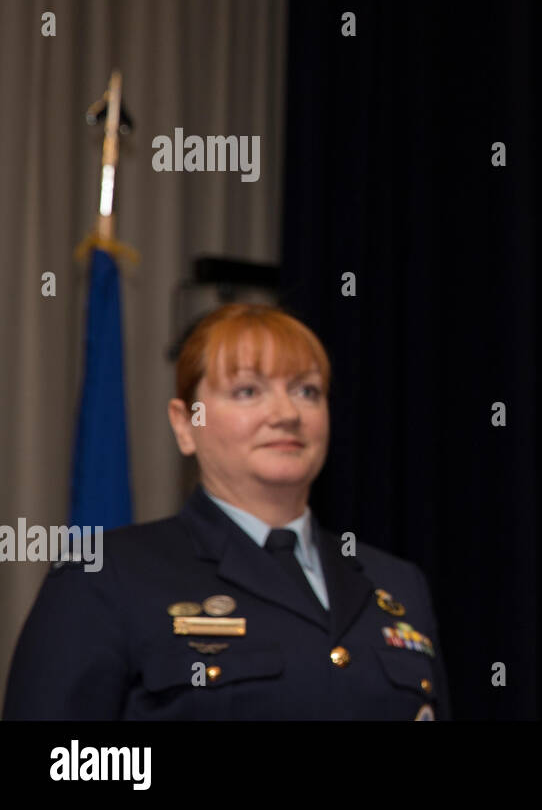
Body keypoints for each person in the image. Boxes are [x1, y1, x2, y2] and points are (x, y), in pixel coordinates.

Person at [4, 303, 450, 720]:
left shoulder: (395, 583)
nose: (286, 413)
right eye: (248, 391)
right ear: (185, 425)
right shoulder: (103, 575)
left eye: (307, 390)